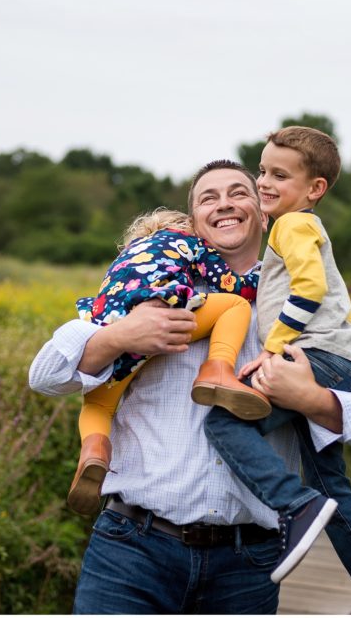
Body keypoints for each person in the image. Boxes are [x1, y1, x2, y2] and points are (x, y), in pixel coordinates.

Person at [28, 160, 351, 614]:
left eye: (240, 193)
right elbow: (45, 376)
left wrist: (312, 400)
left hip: (248, 562)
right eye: (208, 197)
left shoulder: (303, 305)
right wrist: (121, 336)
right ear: (194, 223)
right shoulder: (157, 288)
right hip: (133, 547)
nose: (225, 204)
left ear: (263, 214)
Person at [201, 127, 351, 613]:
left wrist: (274, 348)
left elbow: (310, 288)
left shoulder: (291, 225)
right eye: (262, 170)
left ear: (314, 188)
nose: (264, 182)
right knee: (332, 488)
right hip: (328, 358)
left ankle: (294, 506)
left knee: (223, 422)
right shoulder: (299, 226)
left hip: (311, 358)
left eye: (279, 174)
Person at [67, 207, 266, 515]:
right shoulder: (190, 242)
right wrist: (264, 276)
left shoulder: (127, 255)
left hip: (114, 329)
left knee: (97, 406)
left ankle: (94, 451)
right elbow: (232, 285)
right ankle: (218, 370)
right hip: (165, 317)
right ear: (190, 229)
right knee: (235, 306)